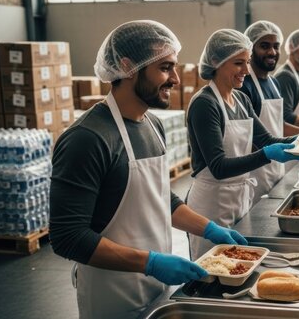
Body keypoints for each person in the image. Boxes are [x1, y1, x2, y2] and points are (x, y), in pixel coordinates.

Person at [49, 20, 247, 319]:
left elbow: (159, 198)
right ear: (128, 67)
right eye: (165, 68)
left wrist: (208, 229)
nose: (176, 79)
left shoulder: (153, 125)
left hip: (156, 288)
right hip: (111, 294)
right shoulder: (87, 138)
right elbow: (67, 237)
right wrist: (150, 262)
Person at [186, 29, 299, 260]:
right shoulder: (205, 104)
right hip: (211, 205)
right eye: (239, 63)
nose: (246, 70)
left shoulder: (241, 99)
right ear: (215, 62)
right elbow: (218, 167)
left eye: (247, 62)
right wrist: (266, 155)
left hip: (239, 199)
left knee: (237, 265)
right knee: (210, 274)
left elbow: (267, 140)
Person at [238, 21, 299, 203]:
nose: (272, 52)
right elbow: (244, 138)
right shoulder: (245, 86)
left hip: (277, 168)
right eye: (264, 46)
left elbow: (279, 125)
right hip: (253, 174)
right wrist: (271, 152)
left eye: (276, 46)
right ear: (249, 49)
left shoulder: (273, 83)